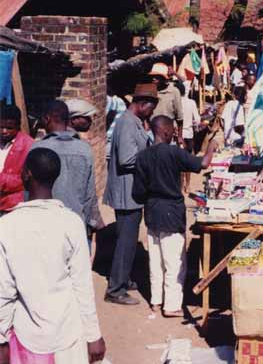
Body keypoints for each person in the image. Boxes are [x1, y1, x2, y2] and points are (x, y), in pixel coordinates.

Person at [0, 148, 105, 364]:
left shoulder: (7, 226)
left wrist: (1, 338)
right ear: (55, 177)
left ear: (26, 175)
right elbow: (82, 284)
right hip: (66, 329)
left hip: (26, 331)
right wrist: (93, 335)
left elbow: (4, 289)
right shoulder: (70, 222)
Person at [133, 115, 218, 317]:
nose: (175, 133)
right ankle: (171, 306)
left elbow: (137, 193)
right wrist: (212, 146)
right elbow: (204, 163)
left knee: (156, 260)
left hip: (152, 211)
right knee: (174, 262)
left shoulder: (142, 156)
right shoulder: (173, 153)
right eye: (172, 130)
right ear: (165, 131)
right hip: (171, 212)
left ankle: (156, 300)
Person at [104, 83, 158, 306]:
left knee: (127, 239)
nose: (152, 113)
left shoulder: (133, 122)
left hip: (130, 191)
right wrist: (151, 157)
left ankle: (123, 278)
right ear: (142, 104)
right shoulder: (127, 123)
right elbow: (127, 159)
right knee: (126, 241)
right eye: (151, 108)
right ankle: (115, 289)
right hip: (127, 192)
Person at [34, 100, 104, 236]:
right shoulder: (84, 149)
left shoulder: (37, 148)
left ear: (46, 119)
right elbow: (89, 194)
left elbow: (29, 191)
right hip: (76, 221)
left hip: (45, 223)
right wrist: (94, 221)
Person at [0, 103, 33, 213]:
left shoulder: (28, 145)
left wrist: (3, 181)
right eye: (0, 127)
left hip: (12, 206)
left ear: (18, 125)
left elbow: (28, 179)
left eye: (9, 128)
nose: (4, 131)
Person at [149, 63, 184, 145]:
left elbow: (180, 117)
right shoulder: (150, 91)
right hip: (152, 133)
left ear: (163, 78)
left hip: (167, 133)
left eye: (156, 76)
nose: (153, 78)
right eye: (152, 76)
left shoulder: (173, 91)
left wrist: (180, 136)